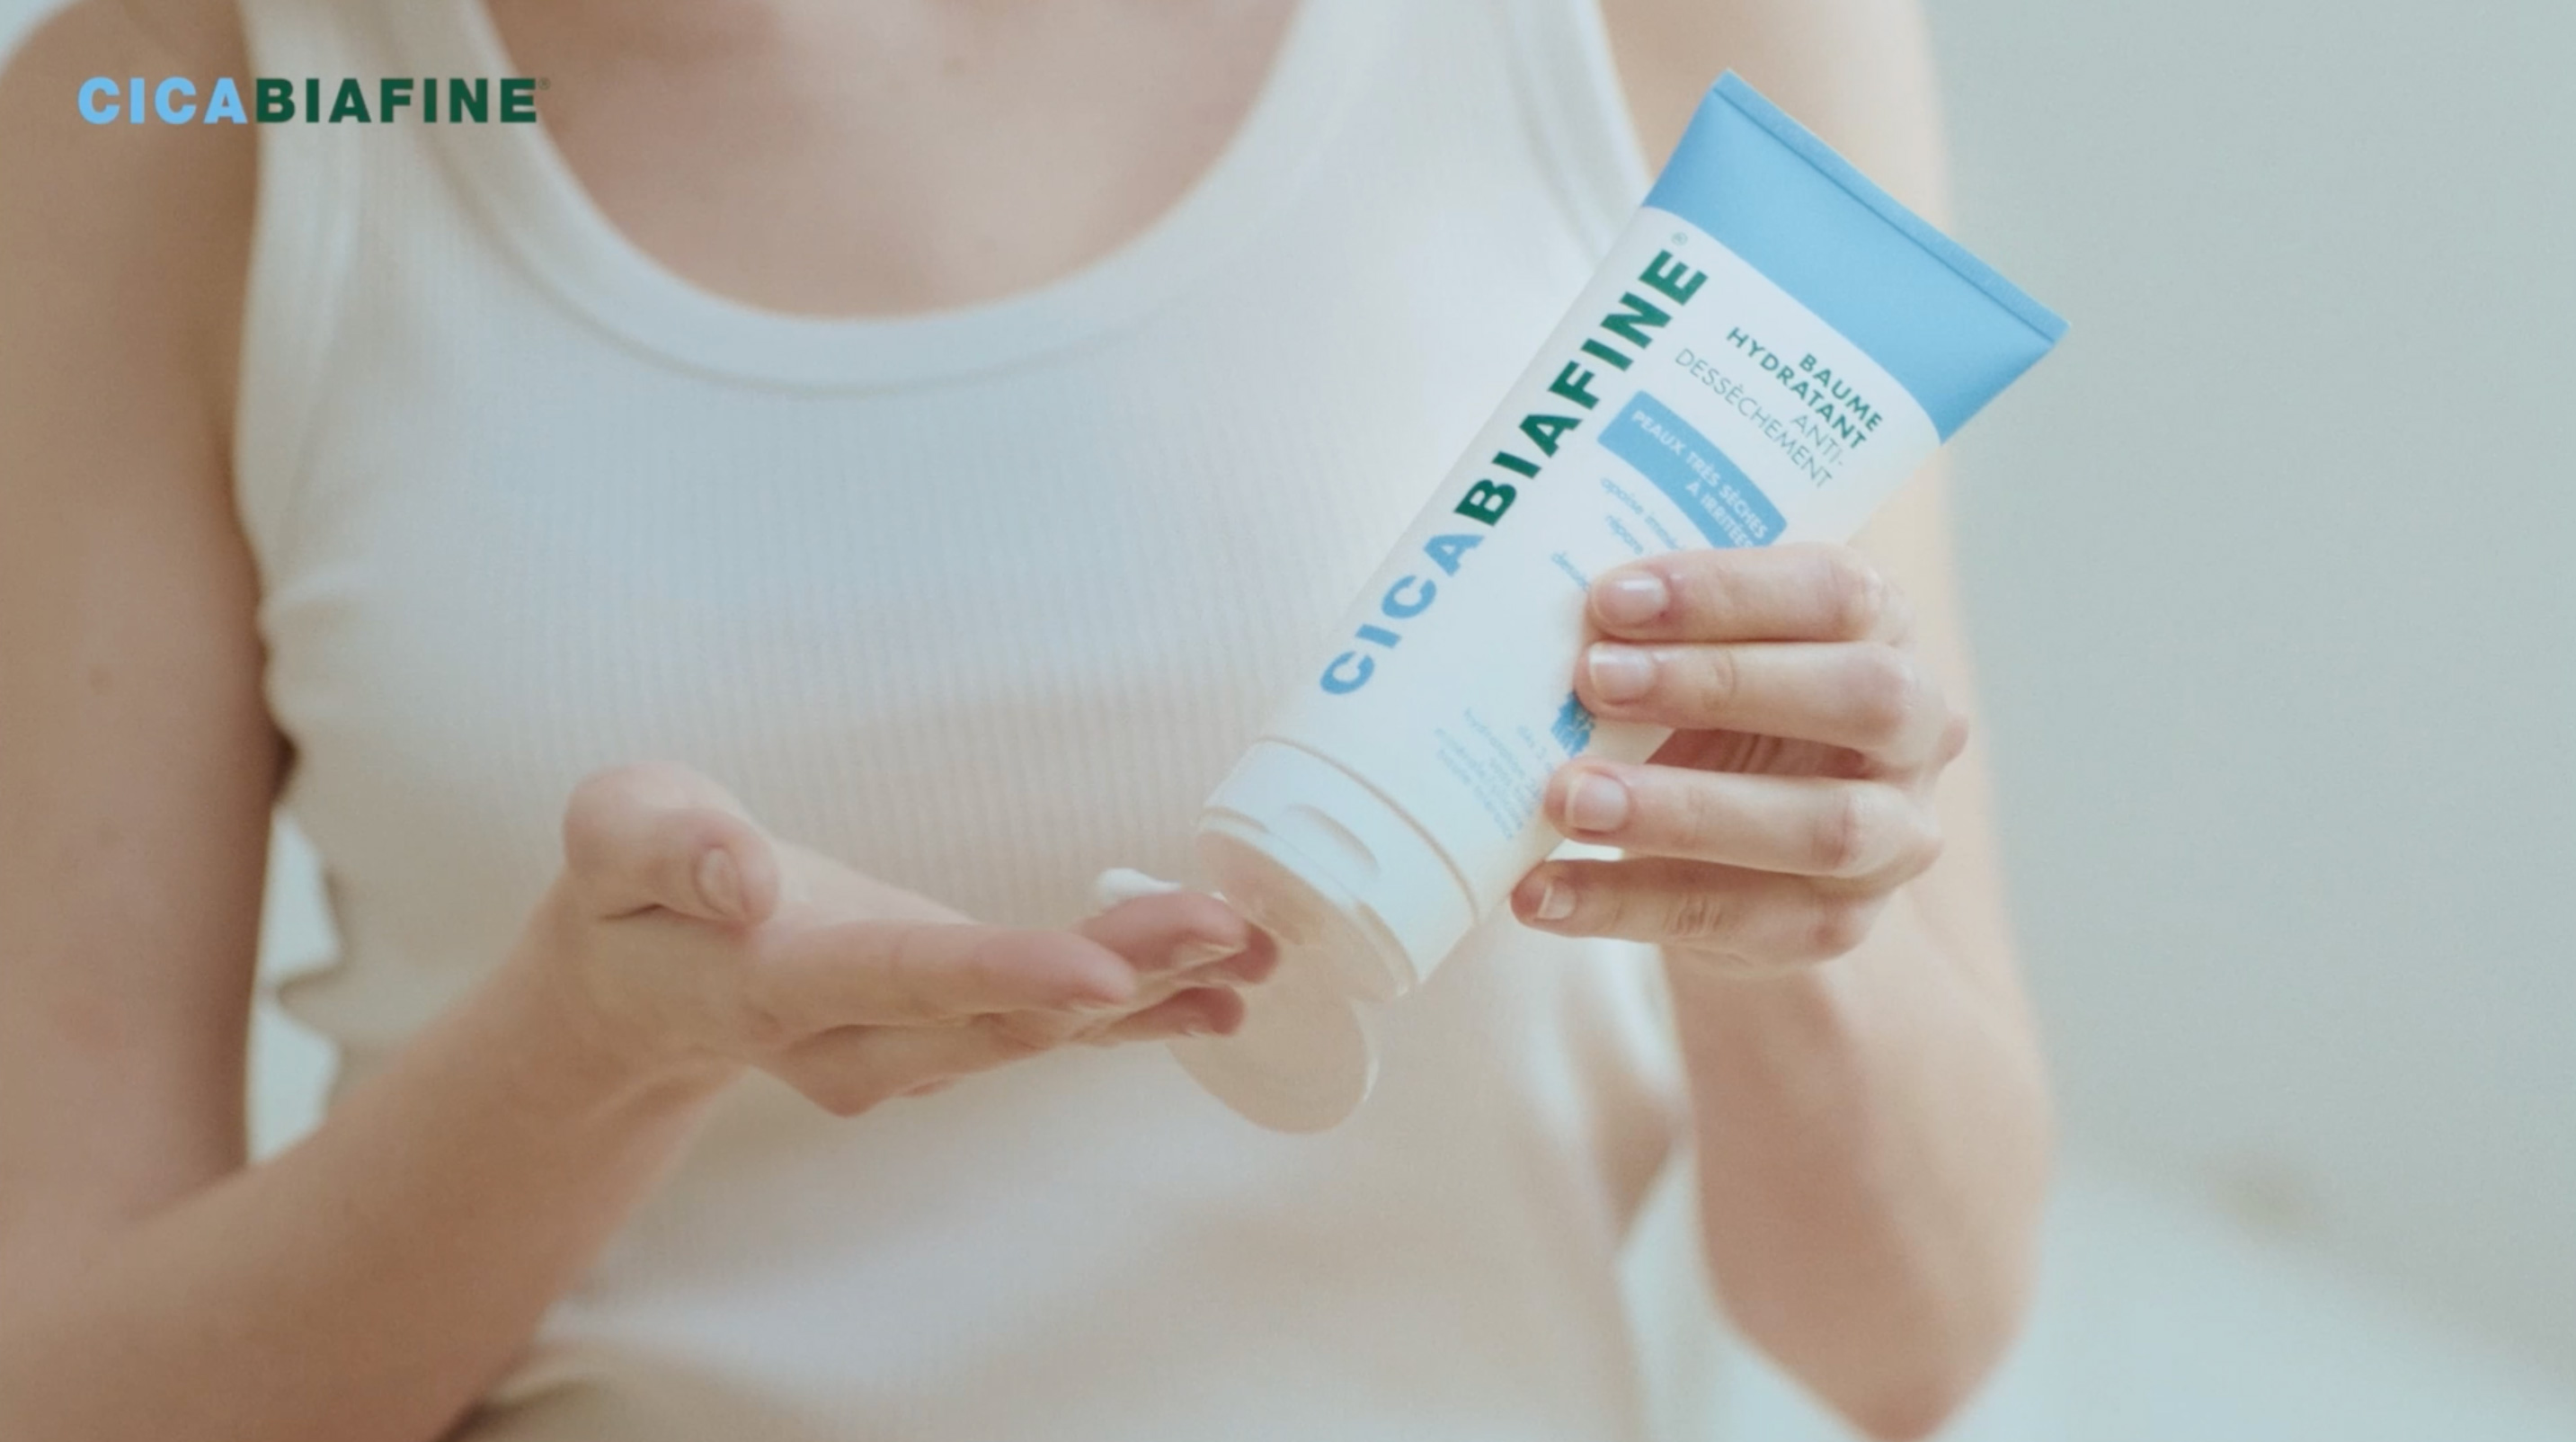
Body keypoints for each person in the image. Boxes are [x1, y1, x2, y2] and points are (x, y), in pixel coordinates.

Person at [0, 0, 2052, 1438]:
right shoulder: (181, 108)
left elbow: (1912, 1345)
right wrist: (589, 1053)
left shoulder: (1648, 26)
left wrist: (1768, 928)